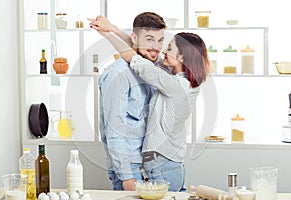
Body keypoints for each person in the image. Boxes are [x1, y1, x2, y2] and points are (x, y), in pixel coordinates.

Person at [89, 16, 209, 191]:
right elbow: (114, 131)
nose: (159, 50)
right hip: (136, 167)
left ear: (181, 58)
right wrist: (113, 28)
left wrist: (107, 34)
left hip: (161, 168)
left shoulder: (171, 81)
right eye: (152, 40)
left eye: (165, 45)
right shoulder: (127, 74)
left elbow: (136, 58)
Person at [92, 12, 167, 191]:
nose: (156, 47)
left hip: (150, 165)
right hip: (130, 169)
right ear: (135, 38)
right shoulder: (118, 75)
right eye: (149, 39)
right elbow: (114, 132)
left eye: (160, 40)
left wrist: (112, 29)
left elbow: (136, 48)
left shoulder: (151, 66)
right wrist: (127, 177)